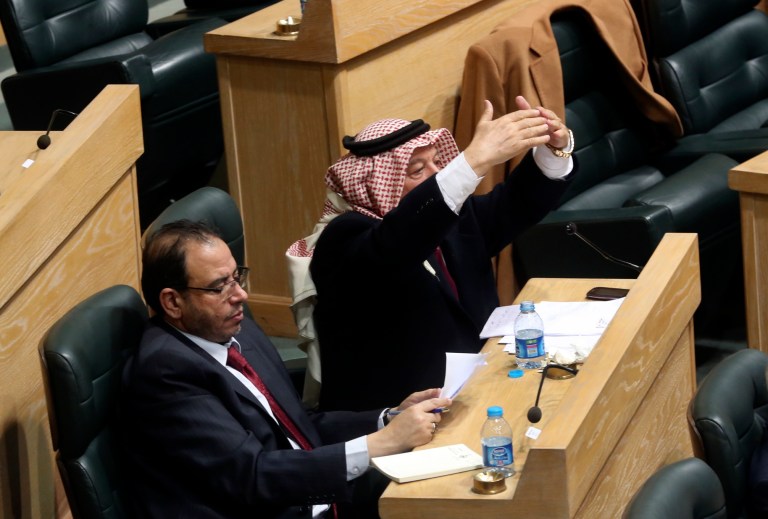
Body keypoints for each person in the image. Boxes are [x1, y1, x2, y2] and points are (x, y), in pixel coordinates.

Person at [119, 219, 451, 518]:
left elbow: (300, 427)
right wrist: (379, 444)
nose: (241, 295)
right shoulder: (166, 374)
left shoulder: (234, 329)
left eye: (237, 277)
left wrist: (387, 418)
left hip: (316, 495)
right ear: (173, 302)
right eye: (219, 286)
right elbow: (251, 476)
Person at [286, 97, 576, 412]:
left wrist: (553, 151)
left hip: (478, 390)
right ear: (378, 184)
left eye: (438, 162)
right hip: (401, 417)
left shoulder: (446, 220)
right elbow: (400, 243)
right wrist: (474, 161)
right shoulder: (344, 240)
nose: (437, 174)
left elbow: (515, 203)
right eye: (417, 170)